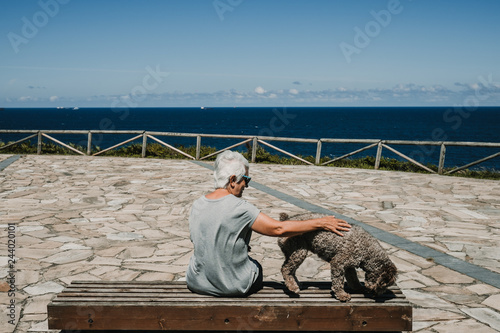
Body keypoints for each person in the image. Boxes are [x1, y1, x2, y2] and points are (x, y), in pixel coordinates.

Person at [186, 150, 351, 297]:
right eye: (246, 179)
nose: (247, 185)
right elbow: (278, 228)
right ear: (232, 180)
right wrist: (321, 223)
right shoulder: (240, 208)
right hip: (232, 286)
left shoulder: (197, 204)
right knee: (256, 266)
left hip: (196, 282)